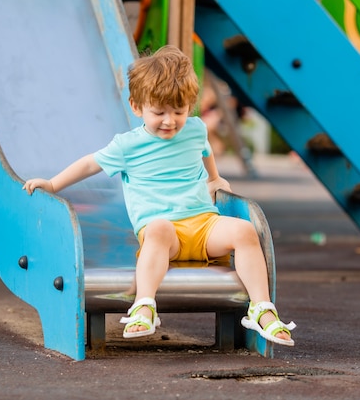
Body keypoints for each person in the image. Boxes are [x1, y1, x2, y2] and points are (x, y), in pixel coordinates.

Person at [23, 45, 295, 346]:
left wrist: (214, 178)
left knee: (244, 230)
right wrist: (52, 183)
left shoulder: (194, 129)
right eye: (159, 112)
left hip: (204, 225)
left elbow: (204, 151)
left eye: (179, 111)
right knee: (159, 229)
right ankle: (144, 305)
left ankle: (261, 308)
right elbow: (90, 163)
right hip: (166, 236)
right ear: (137, 107)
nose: (170, 121)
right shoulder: (128, 145)